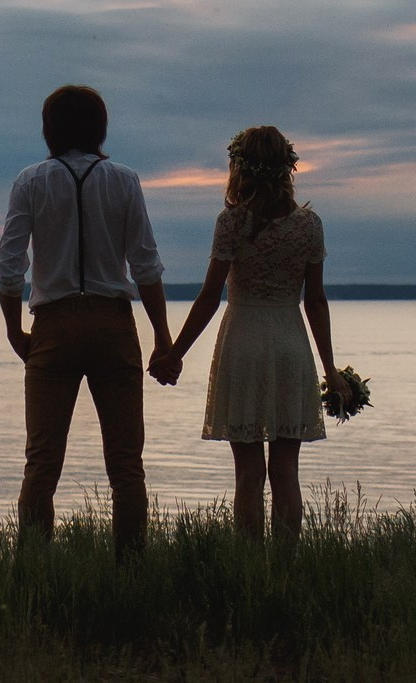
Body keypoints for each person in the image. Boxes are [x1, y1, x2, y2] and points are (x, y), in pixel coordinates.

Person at [0, 83, 174, 557]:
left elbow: (10, 266)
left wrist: (14, 329)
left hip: (53, 325)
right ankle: (130, 573)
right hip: (114, 325)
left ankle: (33, 569)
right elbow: (146, 266)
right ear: (100, 128)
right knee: (126, 465)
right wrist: (162, 338)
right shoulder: (124, 180)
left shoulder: (30, 181)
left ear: (49, 130)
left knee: (42, 463)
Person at [153, 125, 345, 544]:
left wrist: (175, 352)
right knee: (286, 473)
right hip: (290, 343)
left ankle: (249, 567)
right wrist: (330, 369)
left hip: (243, 343)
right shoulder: (309, 225)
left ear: (240, 168)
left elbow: (209, 296)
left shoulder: (232, 222)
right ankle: (286, 569)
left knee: (248, 476)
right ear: (286, 168)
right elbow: (316, 301)